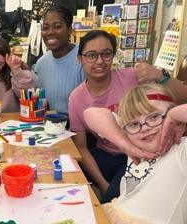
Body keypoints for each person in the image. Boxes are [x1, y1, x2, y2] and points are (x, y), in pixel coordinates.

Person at [68, 30, 187, 202]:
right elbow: (82, 147)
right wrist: (103, 186)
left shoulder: (135, 76)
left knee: (115, 201)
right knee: (73, 170)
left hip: (142, 154)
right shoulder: (76, 97)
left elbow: (183, 95)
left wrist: (161, 77)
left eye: (106, 54)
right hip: (107, 153)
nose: (100, 61)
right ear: (81, 59)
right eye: (92, 55)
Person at [84, 84, 187, 224]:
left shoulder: (181, 149)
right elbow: (91, 113)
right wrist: (124, 144)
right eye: (133, 124)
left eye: (154, 116)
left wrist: (175, 114)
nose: (144, 128)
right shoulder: (133, 145)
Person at [34, 4, 86, 114]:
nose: (50, 32)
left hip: (82, 127)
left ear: (69, 30)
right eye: (45, 28)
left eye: (57, 26)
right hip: (53, 126)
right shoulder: (41, 64)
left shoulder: (84, 57)